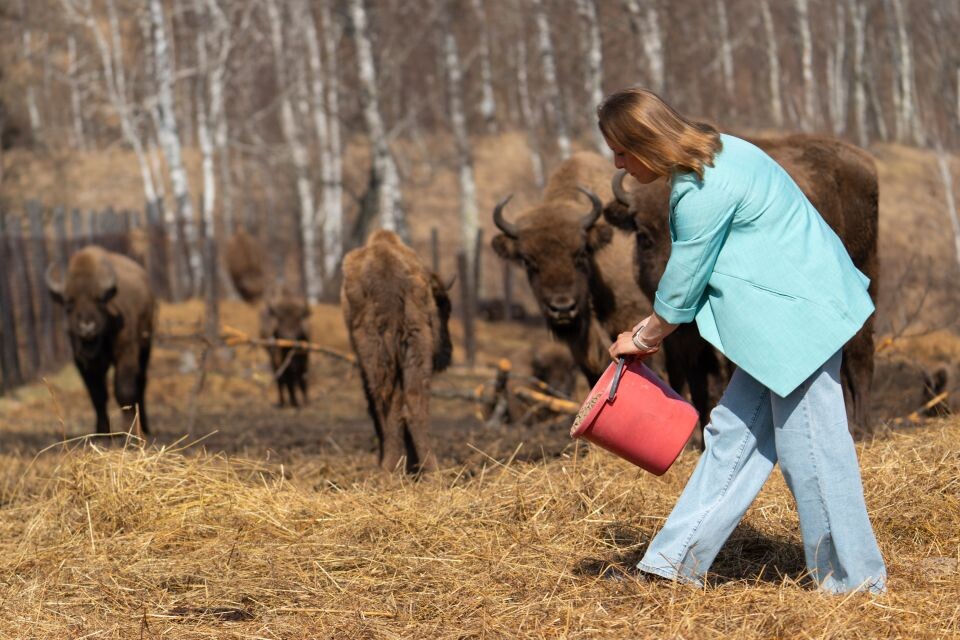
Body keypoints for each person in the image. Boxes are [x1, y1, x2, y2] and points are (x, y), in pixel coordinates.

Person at [597, 87, 886, 594]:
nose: (618, 163)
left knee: (813, 451)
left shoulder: (702, 188)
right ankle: (673, 564)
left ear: (645, 143)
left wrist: (642, 338)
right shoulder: (720, 151)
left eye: (621, 150)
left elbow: (682, 281)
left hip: (799, 321)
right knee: (734, 436)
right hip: (779, 324)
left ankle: (853, 583)